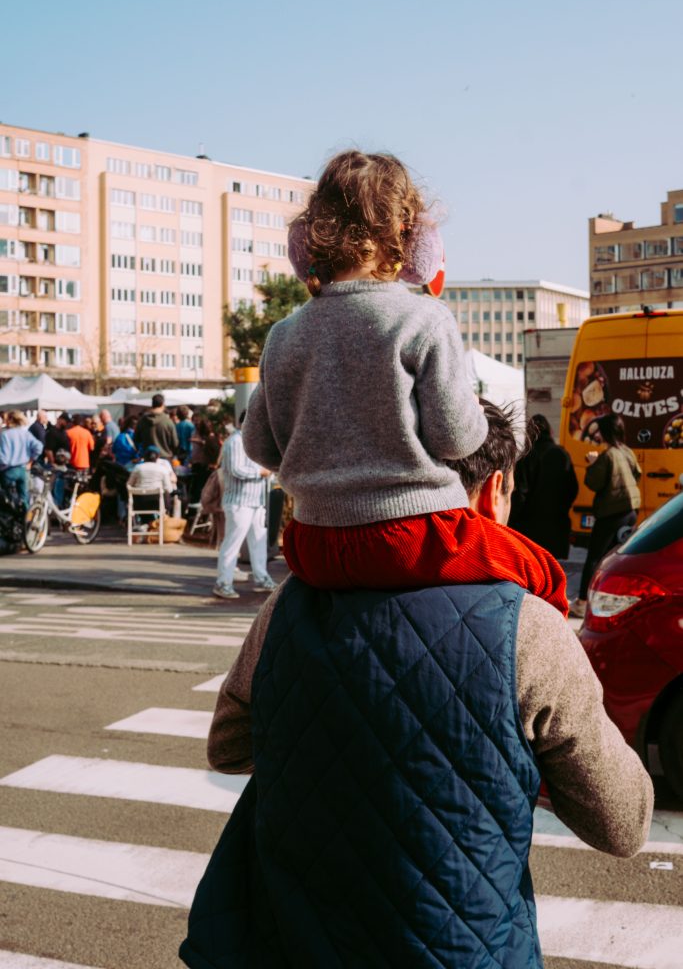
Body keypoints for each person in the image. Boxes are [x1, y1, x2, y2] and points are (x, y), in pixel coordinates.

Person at [180, 399, 653, 969]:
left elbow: (228, 749)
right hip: (460, 952)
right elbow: (624, 823)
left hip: (294, 946)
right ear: (494, 489)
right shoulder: (528, 627)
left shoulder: (291, 603)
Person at [243, 150, 567, 615]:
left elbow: (261, 447)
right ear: (408, 234)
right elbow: (456, 439)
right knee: (542, 572)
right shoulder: (423, 318)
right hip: (412, 537)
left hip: (312, 545)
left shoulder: (284, 335)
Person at [569, 412, 642, 618]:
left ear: (606, 432)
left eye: (599, 430)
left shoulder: (608, 455)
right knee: (614, 558)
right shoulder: (627, 451)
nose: (597, 434)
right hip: (630, 510)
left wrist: (592, 463)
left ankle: (582, 603)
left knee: (594, 557)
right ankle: (611, 599)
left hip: (612, 512)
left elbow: (593, 483)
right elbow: (638, 474)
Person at [213, 411, 275, 600]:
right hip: (239, 501)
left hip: (255, 500)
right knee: (233, 542)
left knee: (259, 540)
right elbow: (236, 469)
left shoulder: (250, 442)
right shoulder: (235, 442)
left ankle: (261, 576)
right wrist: (261, 472)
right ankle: (223, 581)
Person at [509, 413, 578, 558]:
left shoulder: (527, 457)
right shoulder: (562, 454)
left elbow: (520, 493)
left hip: (531, 528)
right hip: (558, 525)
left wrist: (513, 520)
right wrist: (562, 508)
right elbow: (573, 488)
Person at [0, 410, 44, 507]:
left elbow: (4, 458)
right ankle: (26, 518)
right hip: (23, 470)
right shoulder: (25, 433)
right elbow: (39, 447)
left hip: (9, 470)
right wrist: (31, 461)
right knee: (24, 499)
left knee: (7, 499)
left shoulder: (5, 435)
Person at [134, 392, 178, 460]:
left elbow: (136, 439)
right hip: (164, 458)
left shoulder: (142, 421)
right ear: (163, 404)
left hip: (147, 458)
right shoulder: (168, 422)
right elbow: (175, 443)